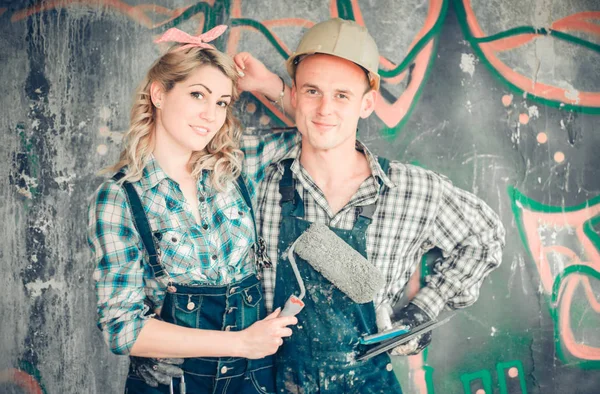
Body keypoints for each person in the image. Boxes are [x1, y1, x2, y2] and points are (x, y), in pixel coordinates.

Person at [234, 18, 506, 393]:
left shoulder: (412, 191)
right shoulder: (256, 172)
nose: (325, 108)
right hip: (271, 382)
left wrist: (423, 308)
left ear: (367, 104)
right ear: (294, 96)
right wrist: (265, 85)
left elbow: (485, 238)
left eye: (342, 96)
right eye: (312, 91)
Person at [87, 26, 298, 394]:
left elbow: (318, 129)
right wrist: (240, 343)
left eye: (221, 102)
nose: (210, 114)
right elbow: (122, 330)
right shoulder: (119, 198)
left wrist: (268, 86)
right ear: (159, 94)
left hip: (253, 380)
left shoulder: (235, 166)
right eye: (197, 94)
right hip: (177, 384)